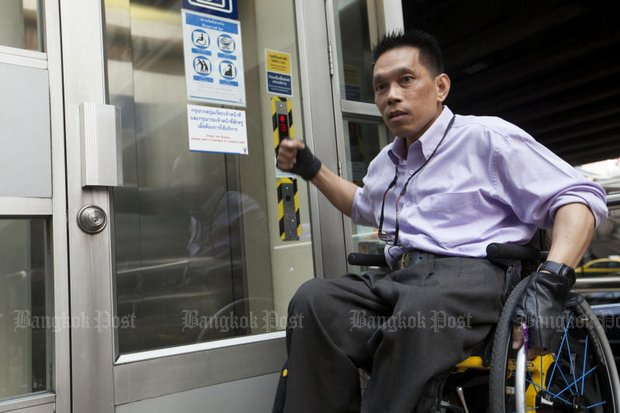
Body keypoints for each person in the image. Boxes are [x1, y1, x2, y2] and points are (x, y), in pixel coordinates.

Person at [274, 29, 608, 412]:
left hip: (474, 278)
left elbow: (579, 198)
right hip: (402, 279)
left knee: (419, 312)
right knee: (315, 301)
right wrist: (312, 169)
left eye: (406, 80)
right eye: (381, 87)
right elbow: (362, 205)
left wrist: (551, 282)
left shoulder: (487, 138)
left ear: (441, 87)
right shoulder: (386, 162)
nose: (391, 96)